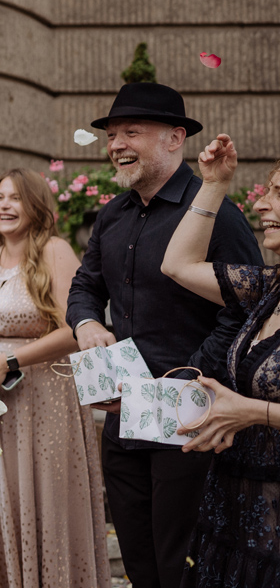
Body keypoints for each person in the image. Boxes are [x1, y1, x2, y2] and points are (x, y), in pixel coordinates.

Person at [66, 83, 262, 588]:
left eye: (132, 131)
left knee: (183, 564)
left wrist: (185, 380)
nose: (116, 144)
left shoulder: (216, 212)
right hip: (123, 419)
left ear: (175, 138)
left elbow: (246, 311)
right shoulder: (112, 214)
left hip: (191, 420)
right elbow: (85, 285)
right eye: (111, 135)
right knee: (139, 562)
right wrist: (87, 323)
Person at [0, 168, 109, 588]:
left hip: (48, 395)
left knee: (50, 499)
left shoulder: (55, 251)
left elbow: (76, 329)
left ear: (35, 205)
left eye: (15, 198)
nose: (4, 205)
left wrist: (12, 360)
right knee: (6, 500)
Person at [160, 136, 280, 587]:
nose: (261, 203)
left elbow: (251, 406)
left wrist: (251, 411)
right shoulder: (266, 288)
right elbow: (177, 263)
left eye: (277, 193)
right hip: (236, 501)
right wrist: (213, 184)